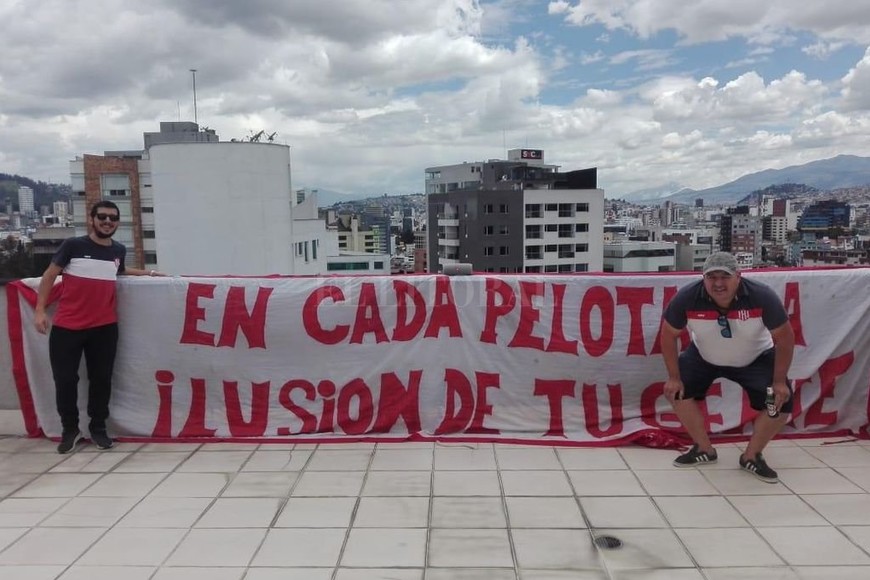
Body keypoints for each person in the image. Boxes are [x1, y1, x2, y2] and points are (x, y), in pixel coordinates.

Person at [34, 200, 165, 454]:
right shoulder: (73, 245)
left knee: (101, 380)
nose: (108, 221)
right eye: (102, 217)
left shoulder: (117, 249)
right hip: (67, 327)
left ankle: (98, 429)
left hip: (104, 328)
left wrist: (149, 274)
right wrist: (40, 310)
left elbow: (121, 271)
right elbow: (50, 275)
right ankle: (70, 429)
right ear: (92, 219)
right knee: (65, 380)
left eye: (113, 218)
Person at [660, 252, 795, 483]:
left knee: (780, 403)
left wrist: (780, 381)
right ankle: (704, 449)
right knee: (677, 390)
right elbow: (668, 334)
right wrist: (673, 376)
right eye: (712, 277)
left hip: (756, 358)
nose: (718, 283)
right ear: (703, 278)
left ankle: (752, 455)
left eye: (725, 276)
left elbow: (785, 338)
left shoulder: (762, 296)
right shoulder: (687, 297)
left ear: (739, 277)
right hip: (704, 356)